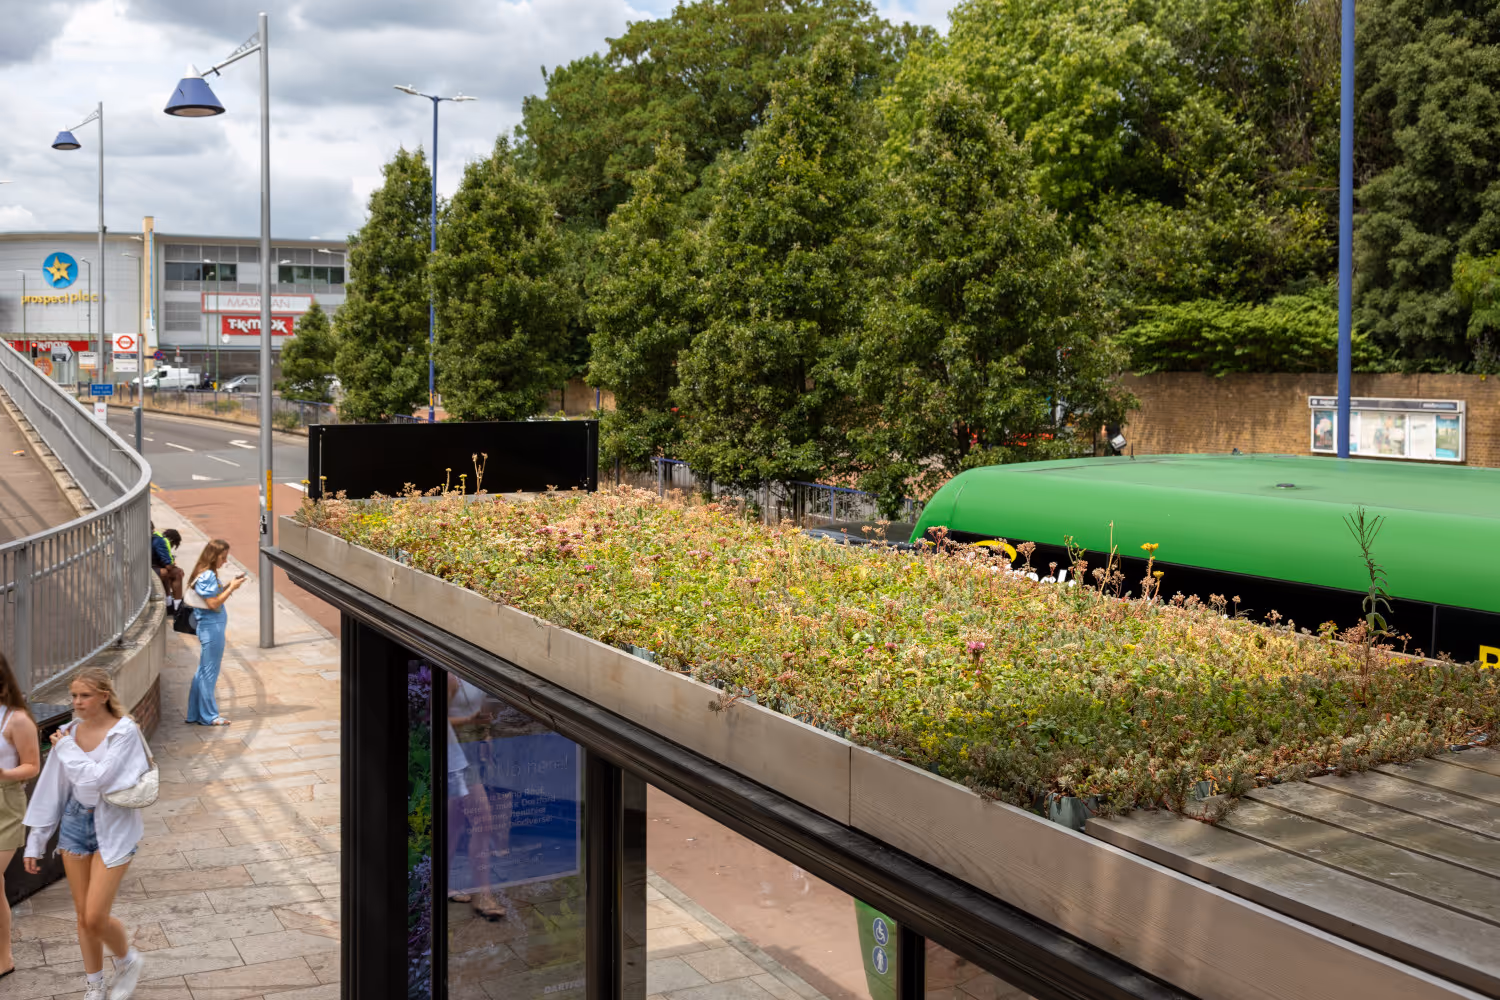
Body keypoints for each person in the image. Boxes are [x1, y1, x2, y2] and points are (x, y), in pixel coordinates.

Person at [23, 668, 151, 1000]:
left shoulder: (125, 733)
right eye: (74, 696)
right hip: (75, 825)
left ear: (104, 696)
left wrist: (65, 748)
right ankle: (93, 985)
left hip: (115, 825)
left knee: (95, 915)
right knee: (82, 916)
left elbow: (99, 779)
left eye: (85, 695)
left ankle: (127, 960)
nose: (77, 702)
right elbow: (55, 789)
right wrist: (35, 842)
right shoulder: (68, 731)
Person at [0, 651, 40, 981]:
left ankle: (4, 956)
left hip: (5, 804)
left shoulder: (17, 719)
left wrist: (3, 773)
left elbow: (32, 765)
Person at [185, 539, 245, 726]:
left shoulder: (204, 574)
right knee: (209, 672)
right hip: (212, 630)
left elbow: (212, 597)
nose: (224, 561)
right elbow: (213, 604)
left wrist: (228, 585)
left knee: (202, 671)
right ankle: (209, 716)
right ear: (214, 556)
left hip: (210, 628)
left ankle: (195, 713)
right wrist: (232, 589)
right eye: (223, 557)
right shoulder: (207, 576)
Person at [150, 525, 184, 611]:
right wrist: (172, 563)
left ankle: (169, 601)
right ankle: (177, 606)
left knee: (167, 572)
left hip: (150, 568)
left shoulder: (152, 538)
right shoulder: (161, 541)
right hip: (152, 570)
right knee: (177, 572)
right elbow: (168, 564)